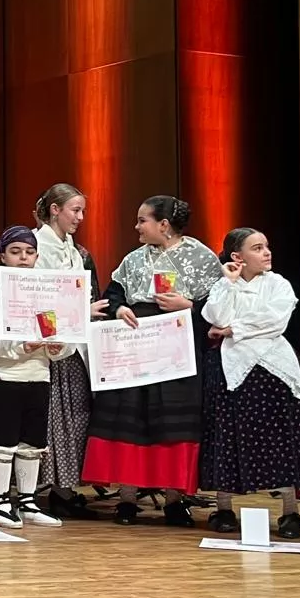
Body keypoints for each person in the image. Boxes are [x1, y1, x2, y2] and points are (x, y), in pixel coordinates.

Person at [83, 195, 223, 527]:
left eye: (142, 220)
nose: (137, 227)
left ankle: (175, 500)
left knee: (171, 423)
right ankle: (128, 500)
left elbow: (220, 306)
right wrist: (119, 308)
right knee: (129, 419)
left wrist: (187, 305)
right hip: (135, 344)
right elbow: (114, 293)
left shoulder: (201, 258)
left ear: (163, 225)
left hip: (177, 349)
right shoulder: (133, 260)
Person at [200, 229, 300, 538]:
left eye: (267, 246)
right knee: (227, 434)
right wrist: (230, 283)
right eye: (257, 248)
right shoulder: (225, 285)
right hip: (231, 368)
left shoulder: (279, 285)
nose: (266, 253)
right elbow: (215, 315)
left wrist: (233, 328)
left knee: (283, 438)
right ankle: (223, 507)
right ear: (238, 257)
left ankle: (290, 512)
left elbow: (274, 321)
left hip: (274, 367)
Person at [0, 227, 74, 528]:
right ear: (3, 256)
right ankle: (0, 501)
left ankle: (28, 500)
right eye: (15, 252)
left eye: (29, 252)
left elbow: (64, 332)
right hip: (5, 377)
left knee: (33, 441)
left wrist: (58, 347)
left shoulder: (46, 295)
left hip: (39, 376)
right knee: (3, 441)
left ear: (37, 256)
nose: (23, 258)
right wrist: (18, 347)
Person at [31, 183, 105, 520]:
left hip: (75, 343)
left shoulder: (74, 251)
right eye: (75, 210)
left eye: (82, 211)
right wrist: (81, 311)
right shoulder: (36, 247)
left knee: (73, 416)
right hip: (47, 344)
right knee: (49, 418)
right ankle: (35, 489)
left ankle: (65, 488)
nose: (80, 217)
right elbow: (37, 298)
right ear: (55, 210)